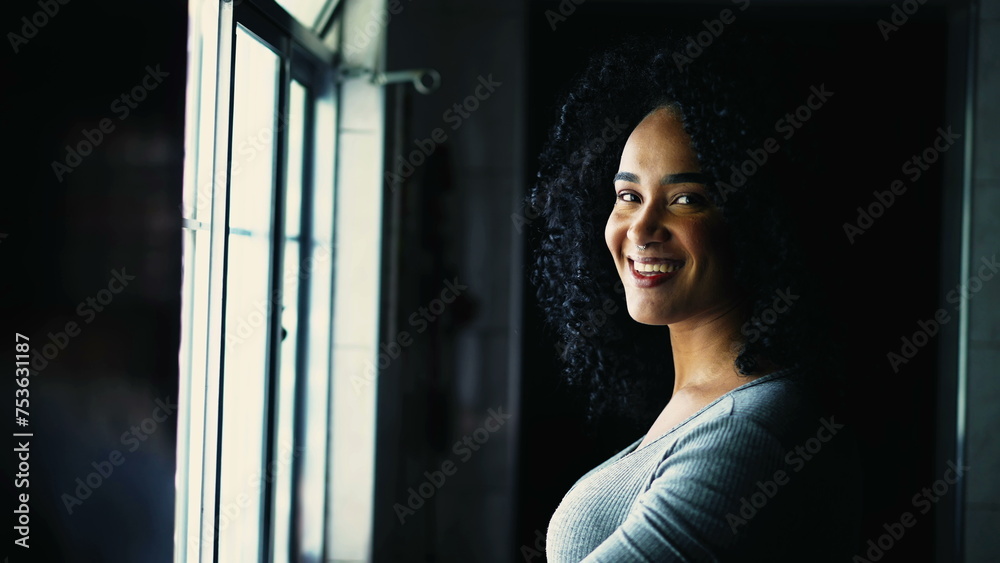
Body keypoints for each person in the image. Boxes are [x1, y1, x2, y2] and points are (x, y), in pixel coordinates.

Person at [528, 33, 862, 562]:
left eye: (687, 199)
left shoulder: (750, 430)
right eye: (629, 196)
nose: (641, 227)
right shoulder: (706, 406)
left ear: (756, 221)